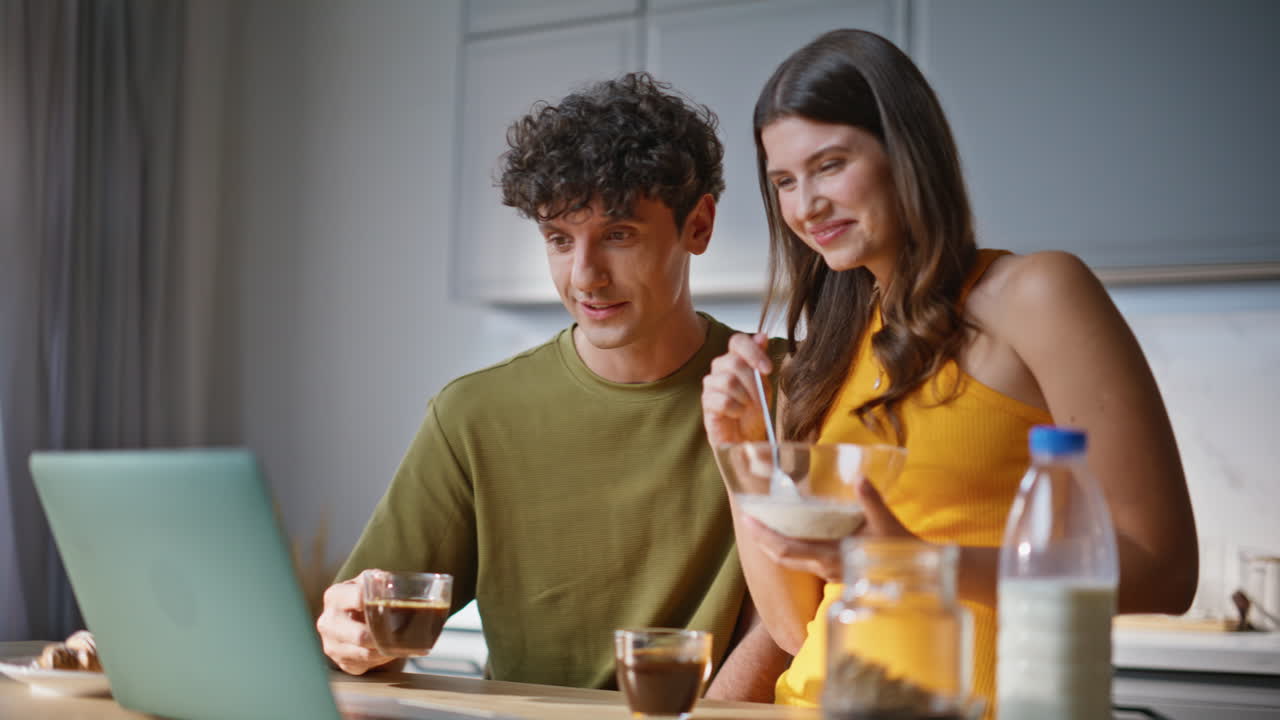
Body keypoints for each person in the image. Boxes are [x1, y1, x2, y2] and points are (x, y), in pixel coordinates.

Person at [699, 29, 1199, 712]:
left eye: (831, 164)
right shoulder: (819, 358)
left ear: (906, 150)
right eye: (784, 181)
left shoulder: (1037, 294)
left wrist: (912, 562)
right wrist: (739, 446)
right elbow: (791, 625)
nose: (806, 205)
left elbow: (1165, 572)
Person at [315, 72, 788, 701]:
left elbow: (800, 622)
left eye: (618, 235)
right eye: (560, 240)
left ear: (697, 225)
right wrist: (347, 635)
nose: (585, 276)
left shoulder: (784, 388)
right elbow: (370, 643)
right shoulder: (474, 414)